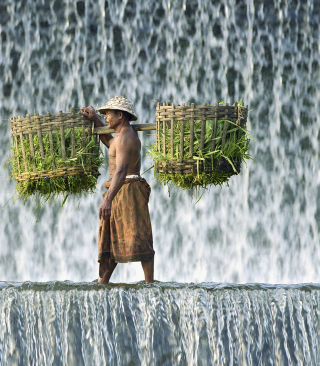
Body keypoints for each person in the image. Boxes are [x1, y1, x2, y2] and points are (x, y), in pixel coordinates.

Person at [81, 96, 154, 284]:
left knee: (138, 234)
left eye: (107, 115)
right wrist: (96, 119)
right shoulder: (121, 136)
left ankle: (149, 283)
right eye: (103, 115)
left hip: (128, 190)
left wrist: (107, 200)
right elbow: (111, 145)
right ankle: (102, 281)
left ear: (120, 115)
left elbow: (121, 170)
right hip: (121, 189)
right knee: (112, 235)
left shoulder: (125, 137)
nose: (105, 118)